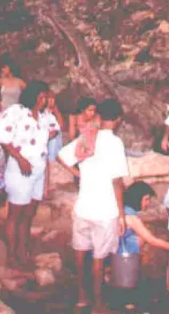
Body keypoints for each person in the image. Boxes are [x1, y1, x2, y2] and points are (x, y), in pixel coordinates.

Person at [58, 98, 128, 313]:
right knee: (99, 257)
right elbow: (117, 181)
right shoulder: (115, 143)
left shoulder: (87, 136)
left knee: (81, 252)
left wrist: (79, 174)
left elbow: (61, 156)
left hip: (83, 206)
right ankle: (98, 304)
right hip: (104, 209)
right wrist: (122, 214)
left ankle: (81, 296)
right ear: (117, 120)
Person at [0, 81, 56, 268]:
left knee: (29, 213)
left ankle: (23, 251)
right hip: (20, 168)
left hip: (38, 168)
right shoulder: (15, 112)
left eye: (46, 97)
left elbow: (55, 130)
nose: (44, 100)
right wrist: (21, 158)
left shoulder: (45, 116)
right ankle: (12, 255)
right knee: (16, 213)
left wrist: (51, 110)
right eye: (41, 96)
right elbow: (4, 140)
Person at [113, 181, 169, 311]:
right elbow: (152, 240)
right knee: (154, 247)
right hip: (122, 255)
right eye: (146, 199)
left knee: (151, 233)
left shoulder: (126, 210)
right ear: (137, 198)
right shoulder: (130, 217)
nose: (148, 203)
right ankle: (141, 291)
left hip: (121, 248)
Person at [68, 97, 100, 162]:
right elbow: (72, 135)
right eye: (90, 110)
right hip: (79, 139)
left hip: (92, 140)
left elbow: (95, 134)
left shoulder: (97, 117)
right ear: (83, 110)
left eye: (94, 110)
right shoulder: (74, 117)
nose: (92, 113)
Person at [45, 90, 65, 173]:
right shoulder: (42, 112)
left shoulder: (54, 112)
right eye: (49, 98)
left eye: (53, 98)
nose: (51, 100)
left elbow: (61, 126)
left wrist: (56, 110)